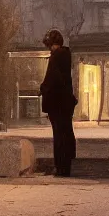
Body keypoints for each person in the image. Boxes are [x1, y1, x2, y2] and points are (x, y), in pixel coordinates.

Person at [40, 29, 77, 177]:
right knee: (66, 132)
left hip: (57, 103)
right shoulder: (66, 55)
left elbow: (51, 80)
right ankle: (66, 165)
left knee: (59, 135)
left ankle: (60, 166)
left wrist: (42, 88)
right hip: (66, 102)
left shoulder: (55, 58)